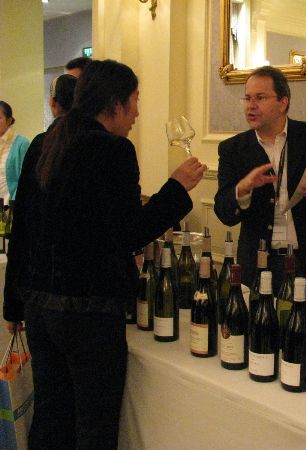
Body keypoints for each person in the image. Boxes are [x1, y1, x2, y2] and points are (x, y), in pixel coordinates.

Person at [3, 59, 206, 449]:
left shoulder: (46, 142)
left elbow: (23, 228)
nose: (137, 113)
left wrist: (13, 305)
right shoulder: (113, 150)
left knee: (52, 419)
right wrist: (176, 188)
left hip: (40, 309)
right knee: (94, 427)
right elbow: (130, 233)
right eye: (135, 101)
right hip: (88, 314)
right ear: (115, 103)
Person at [214, 66, 306, 296]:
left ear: (283, 103)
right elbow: (223, 212)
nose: (251, 105)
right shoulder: (233, 149)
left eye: (260, 98)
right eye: (247, 98)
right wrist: (242, 190)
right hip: (258, 264)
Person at [0, 101, 29, 203]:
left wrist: (14, 204)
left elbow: (25, 179)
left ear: (9, 120)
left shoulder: (21, 143)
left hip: (10, 205)